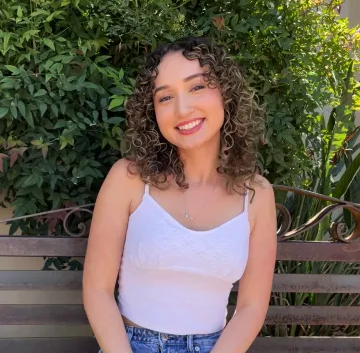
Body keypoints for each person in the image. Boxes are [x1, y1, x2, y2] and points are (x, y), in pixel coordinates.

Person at [83, 36, 277, 353]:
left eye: (197, 87)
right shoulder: (129, 179)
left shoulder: (256, 195)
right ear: (153, 112)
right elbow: (97, 290)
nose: (182, 109)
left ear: (225, 93)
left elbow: (252, 307)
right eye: (165, 97)